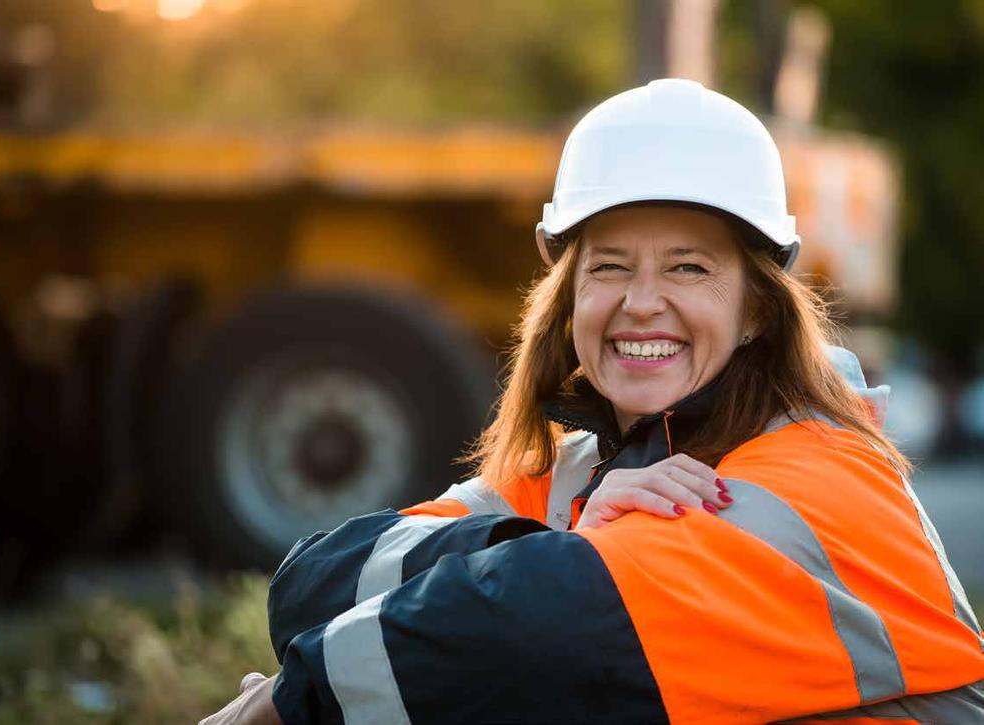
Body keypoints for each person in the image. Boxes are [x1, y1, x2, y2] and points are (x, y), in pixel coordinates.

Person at [201, 79, 984, 725]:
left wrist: (279, 705)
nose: (641, 303)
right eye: (608, 266)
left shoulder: (820, 477)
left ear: (755, 309)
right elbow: (311, 580)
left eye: (686, 268)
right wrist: (553, 537)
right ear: (568, 294)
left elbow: (527, 631)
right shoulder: (584, 468)